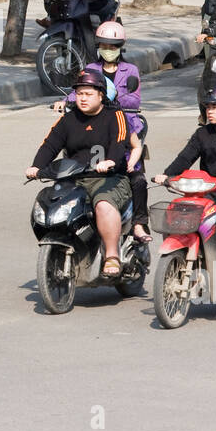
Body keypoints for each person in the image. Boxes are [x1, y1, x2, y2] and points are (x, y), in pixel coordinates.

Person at [27, 71, 133, 278]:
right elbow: (50, 145)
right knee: (52, 202)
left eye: (88, 94)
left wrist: (110, 161)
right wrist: (36, 167)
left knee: (103, 204)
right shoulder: (69, 119)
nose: (82, 98)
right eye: (79, 93)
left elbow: (120, 141)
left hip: (109, 179)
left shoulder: (115, 116)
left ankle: (111, 255)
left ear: (101, 95)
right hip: (74, 178)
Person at [54, 21, 150, 242]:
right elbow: (77, 91)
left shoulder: (131, 71)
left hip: (123, 122)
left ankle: (138, 224)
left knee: (136, 179)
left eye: (113, 46)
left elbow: (134, 99)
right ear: (98, 46)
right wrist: (64, 101)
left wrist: (109, 96)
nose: (109, 50)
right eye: (105, 45)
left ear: (120, 47)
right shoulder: (90, 69)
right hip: (93, 124)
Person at [154, 88, 216, 290]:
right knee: (180, 213)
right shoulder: (202, 134)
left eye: (215, 107)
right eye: (207, 107)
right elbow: (185, 158)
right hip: (208, 191)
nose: (210, 111)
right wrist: (167, 175)